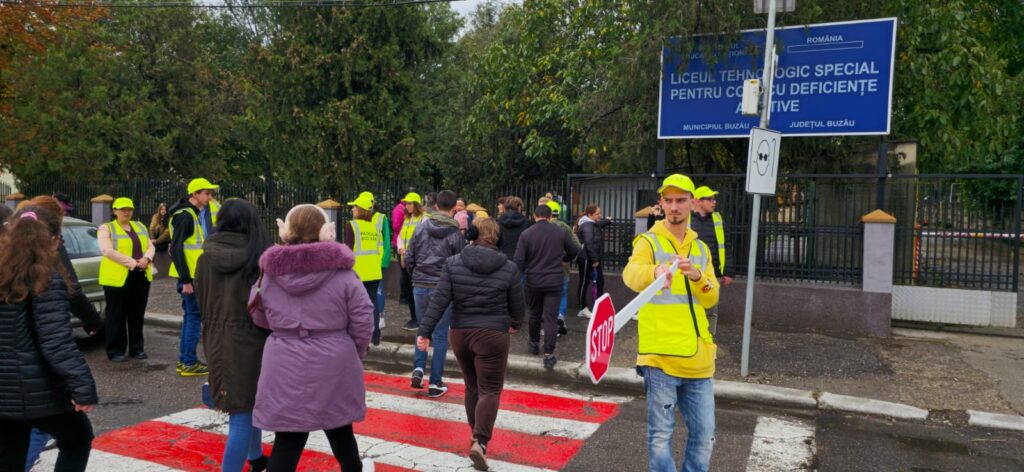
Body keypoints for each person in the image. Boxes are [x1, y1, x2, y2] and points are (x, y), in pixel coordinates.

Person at [249, 204, 374, 472]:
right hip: (334, 356)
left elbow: (258, 314)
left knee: (288, 437)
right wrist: (355, 350)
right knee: (340, 428)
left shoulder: (270, 273)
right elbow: (363, 317)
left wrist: (284, 329)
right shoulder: (343, 273)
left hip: (285, 357)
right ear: (325, 231)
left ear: (287, 231)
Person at [623, 174, 719, 472]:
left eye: (680, 200)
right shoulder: (648, 242)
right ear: (661, 203)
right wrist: (654, 272)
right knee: (660, 437)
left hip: (699, 358)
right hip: (661, 356)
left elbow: (711, 297)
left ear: (692, 202)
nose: (674, 206)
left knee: (704, 435)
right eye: (669, 200)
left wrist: (697, 277)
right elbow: (630, 274)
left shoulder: (701, 249)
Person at [416, 217, 525, 471]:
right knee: (490, 389)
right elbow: (518, 306)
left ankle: (474, 433)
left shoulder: (453, 263)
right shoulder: (508, 268)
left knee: (472, 386)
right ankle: (481, 442)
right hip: (493, 335)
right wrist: (516, 324)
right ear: (498, 239)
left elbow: (439, 301)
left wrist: (424, 331)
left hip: (461, 333)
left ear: (472, 234)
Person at [0, 205, 98, 472]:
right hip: (38, 391)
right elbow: (55, 342)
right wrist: (82, 387)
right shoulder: (46, 278)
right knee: (77, 439)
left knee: (10, 452)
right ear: (53, 240)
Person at [195, 199, 272, 472]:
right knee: (243, 412)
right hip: (253, 339)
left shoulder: (205, 258)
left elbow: (200, 300)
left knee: (245, 405)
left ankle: (256, 458)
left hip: (216, 339)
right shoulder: (259, 258)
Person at [406, 189, 465, 398]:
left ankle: (418, 368)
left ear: (437, 206)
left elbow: (410, 256)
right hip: (443, 288)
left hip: (420, 284)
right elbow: (459, 264)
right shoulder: (456, 234)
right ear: (453, 209)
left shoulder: (421, 228)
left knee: (422, 329)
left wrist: (416, 276)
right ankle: (435, 382)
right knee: (440, 335)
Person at [514, 205, 579, 369]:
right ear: (550, 217)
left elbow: (519, 260)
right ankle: (549, 354)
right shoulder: (559, 232)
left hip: (533, 280)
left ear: (534, 216)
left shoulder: (526, 234)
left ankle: (534, 343)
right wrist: (564, 259)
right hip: (554, 280)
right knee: (550, 317)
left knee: (535, 313)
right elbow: (574, 249)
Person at [168, 177, 219, 376]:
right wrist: (186, 280)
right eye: (206, 193)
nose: (209, 197)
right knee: (193, 317)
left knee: (191, 316)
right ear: (195, 194)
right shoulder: (185, 216)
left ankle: (186, 360)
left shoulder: (191, 213)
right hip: (190, 277)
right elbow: (177, 249)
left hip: (193, 275)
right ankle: (188, 362)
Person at [97, 197, 155, 362]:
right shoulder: (106, 228)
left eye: (129, 209)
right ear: (114, 211)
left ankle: (137, 349)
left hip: (141, 274)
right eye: (122, 209)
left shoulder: (140, 226)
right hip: (117, 277)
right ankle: (115, 350)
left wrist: (146, 259)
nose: (126, 212)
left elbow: (150, 246)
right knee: (117, 314)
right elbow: (107, 251)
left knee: (137, 314)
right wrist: (133, 262)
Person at [345, 193, 385, 346]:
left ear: (360, 209)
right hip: (374, 271)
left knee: (356, 306)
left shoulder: (352, 225)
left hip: (358, 272)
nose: (353, 209)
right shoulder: (374, 228)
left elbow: (348, 250)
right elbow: (379, 249)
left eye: (355, 206)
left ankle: (359, 336)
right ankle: (375, 336)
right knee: (372, 304)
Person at [690, 186, 730, 336]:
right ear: (699, 202)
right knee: (692, 307)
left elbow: (726, 246)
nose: (714, 202)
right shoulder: (687, 220)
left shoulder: (718, 221)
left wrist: (728, 272)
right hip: (691, 274)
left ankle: (708, 341)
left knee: (711, 310)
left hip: (713, 274)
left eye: (714, 199)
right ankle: (694, 339)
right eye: (710, 199)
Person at [543, 200, 579, 335]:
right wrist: (565, 259)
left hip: (546, 267)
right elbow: (577, 246)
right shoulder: (565, 227)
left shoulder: (543, 227)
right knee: (562, 293)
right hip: (563, 267)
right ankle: (561, 319)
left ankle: (549, 324)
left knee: (547, 296)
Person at [360, 192, 391, 333]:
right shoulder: (357, 220)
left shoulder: (380, 218)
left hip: (376, 261)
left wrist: (384, 260)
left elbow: (386, 241)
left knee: (378, 290)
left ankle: (380, 316)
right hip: (363, 261)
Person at [576, 204, 611, 318]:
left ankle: (597, 306)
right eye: (597, 214)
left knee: (600, 282)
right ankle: (582, 308)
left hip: (593, 258)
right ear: (590, 215)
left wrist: (607, 221)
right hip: (587, 258)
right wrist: (594, 259)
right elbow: (588, 243)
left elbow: (600, 223)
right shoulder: (586, 225)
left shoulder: (592, 223)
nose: (599, 216)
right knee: (584, 282)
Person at [397, 192, 425, 331]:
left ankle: (419, 319)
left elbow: (424, 241)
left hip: (417, 262)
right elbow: (401, 237)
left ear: (416, 204)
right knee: (409, 291)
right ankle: (414, 318)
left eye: (409, 203)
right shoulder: (407, 218)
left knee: (417, 292)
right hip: (407, 260)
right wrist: (401, 250)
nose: (406, 206)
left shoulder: (424, 219)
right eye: (406, 203)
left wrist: (407, 255)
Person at [496, 196, 529, 261]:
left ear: (505, 207)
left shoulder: (498, 222)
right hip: (522, 259)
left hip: (502, 259)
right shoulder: (528, 223)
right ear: (519, 208)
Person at [149, 203, 172, 275]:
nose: (163, 211)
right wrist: (152, 239)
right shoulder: (155, 217)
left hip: (164, 241)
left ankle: (153, 266)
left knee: (155, 248)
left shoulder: (169, 218)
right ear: (159, 210)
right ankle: (151, 266)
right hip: (155, 239)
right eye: (162, 209)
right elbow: (151, 228)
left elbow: (167, 234)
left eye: (165, 209)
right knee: (149, 247)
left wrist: (156, 241)